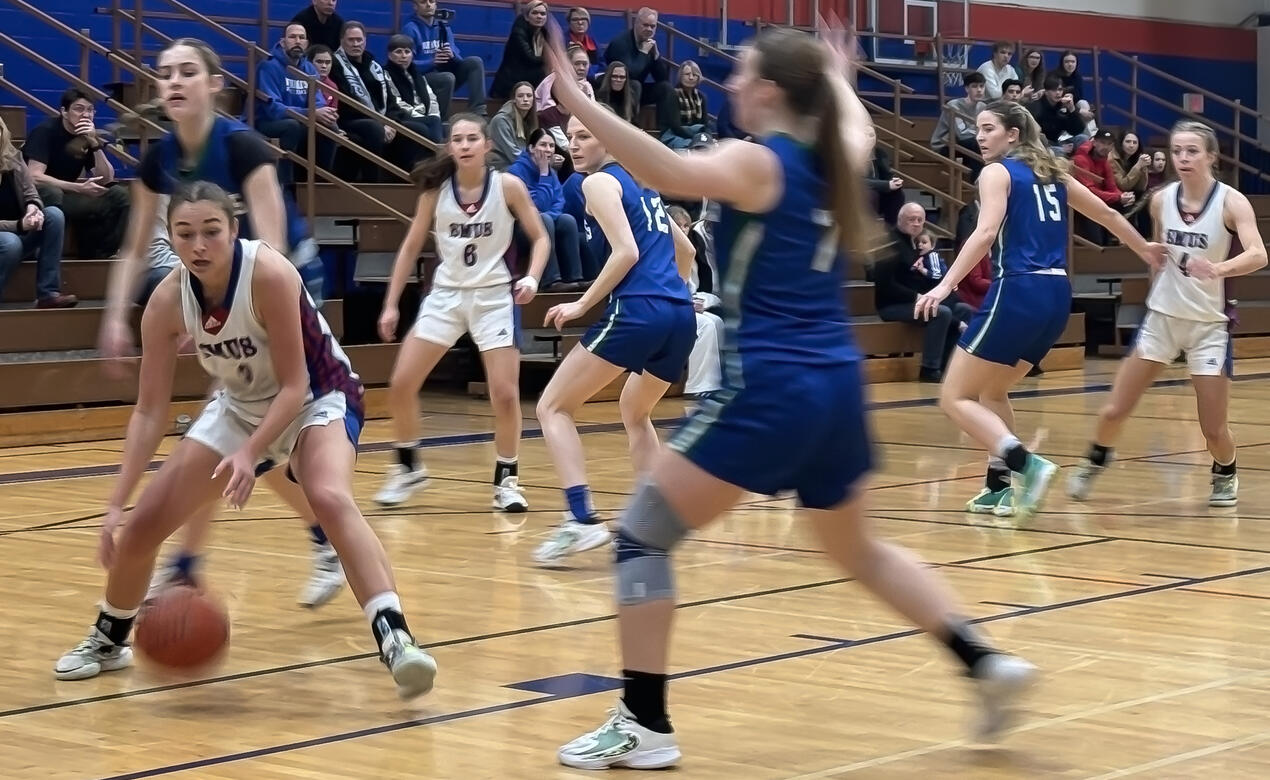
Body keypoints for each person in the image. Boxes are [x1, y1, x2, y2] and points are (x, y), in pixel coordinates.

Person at [541, 21, 1037, 769]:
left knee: (643, 535)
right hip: (837, 385)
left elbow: (666, 168)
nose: (730, 84)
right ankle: (983, 661)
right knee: (857, 549)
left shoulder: (757, 160)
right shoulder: (835, 156)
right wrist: (837, 73)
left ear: (770, 92)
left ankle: (645, 722)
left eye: (741, 74)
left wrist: (581, 97)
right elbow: (855, 123)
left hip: (770, 386)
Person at [55, 181, 436, 698]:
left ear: (234, 230)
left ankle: (396, 636)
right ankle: (110, 638)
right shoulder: (167, 300)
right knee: (141, 529)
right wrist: (116, 503)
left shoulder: (269, 273)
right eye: (185, 234)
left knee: (326, 494)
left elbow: (296, 384)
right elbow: (148, 411)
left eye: (211, 231)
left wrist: (251, 453)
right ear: (171, 239)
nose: (199, 245)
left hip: (317, 396)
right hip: (239, 404)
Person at [96, 38, 340, 607]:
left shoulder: (244, 146)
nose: (174, 82)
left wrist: (217, 314)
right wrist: (113, 317)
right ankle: (299, 541)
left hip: (285, 286)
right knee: (238, 436)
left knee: (229, 423)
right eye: (164, 74)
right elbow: (134, 248)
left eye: (187, 71)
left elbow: (273, 250)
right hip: (217, 292)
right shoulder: (159, 159)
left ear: (213, 85)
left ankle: (188, 563)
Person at [913, 101, 1166, 520]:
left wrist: (943, 286)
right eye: (978, 128)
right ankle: (997, 486)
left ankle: (1027, 465)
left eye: (989, 128)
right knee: (993, 391)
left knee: (954, 395)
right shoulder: (1054, 172)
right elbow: (1104, 212)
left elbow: (986, 232)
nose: (980, 136)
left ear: (1012, 135)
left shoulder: (996, 173)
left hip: (1019, 287)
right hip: (1056, 294)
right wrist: (1143, 248)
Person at [1067, 121, 1267, 506]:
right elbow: (1157, 255)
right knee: (1114, 409)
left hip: (1209, 325)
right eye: (1177, 151)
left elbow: (1259, 254)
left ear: (1211, 156)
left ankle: (1225, 469)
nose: (1183, 158)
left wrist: (1219, 269)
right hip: (1161, 319)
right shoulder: (1161, 199)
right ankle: (1094, 461)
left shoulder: (1231, 201)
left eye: (1192, 151)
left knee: (1213, 430)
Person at [531, 113, 697, 566]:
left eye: (586, 136)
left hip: (640, 308)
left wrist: (581, 305)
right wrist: (672, 295)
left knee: (553, 407)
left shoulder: (599, 183)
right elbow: (688, 252)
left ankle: (581, 520)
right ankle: (652, 522)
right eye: (572, 138)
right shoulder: (645, 186)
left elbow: (626, 251)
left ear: (609, 140)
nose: (575, 145)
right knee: (634, 410)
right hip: (680, 316)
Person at [375, 114, 549, 510]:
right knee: (401, 383)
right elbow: (409, 248)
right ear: (450, 147)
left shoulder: (508, 186)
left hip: (493, 298)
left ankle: (507, 480)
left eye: (473, 138)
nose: (466, 145)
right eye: (458, 139)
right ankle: (408, 468)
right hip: (446, 296)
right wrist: (390, 304)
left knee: (504, 395)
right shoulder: (435, 194)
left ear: (487, 145)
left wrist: (533, 279)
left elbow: (540, 238)